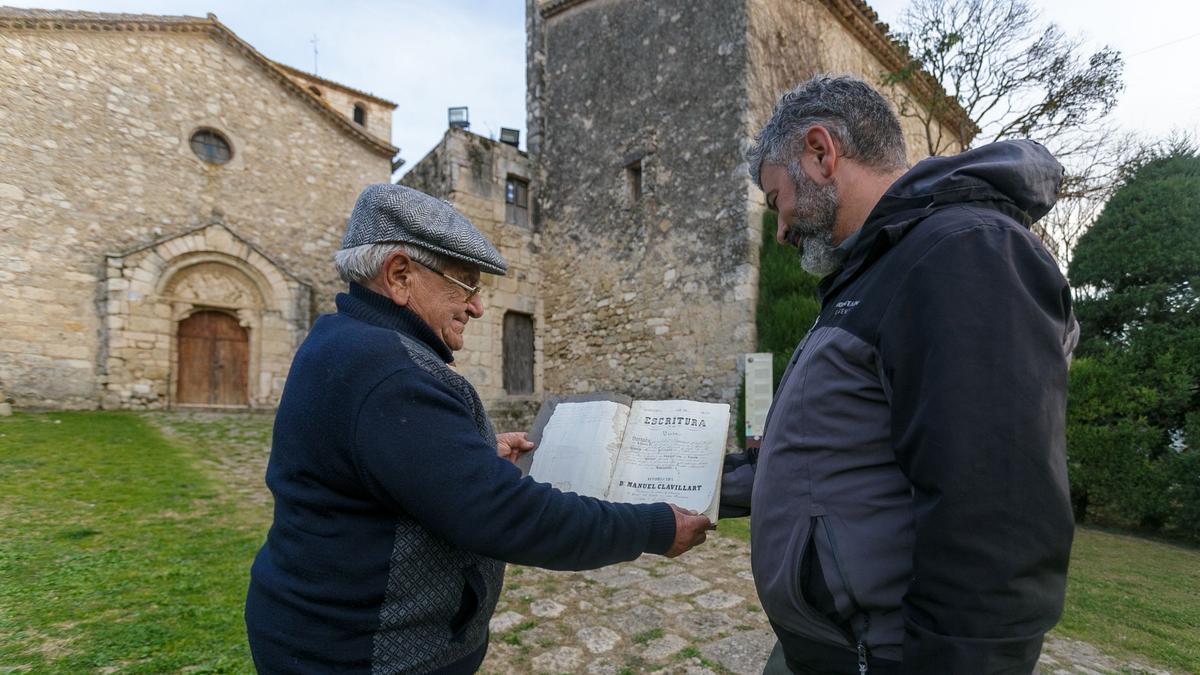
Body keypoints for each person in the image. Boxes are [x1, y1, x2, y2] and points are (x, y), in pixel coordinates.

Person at [244, 183, 712, 674]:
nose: (477, 307)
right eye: (465, 283)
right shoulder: (391, 371)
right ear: (400, 275)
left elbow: (393, 468)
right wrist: (653, 527)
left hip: (322, 632)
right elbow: (506, 516)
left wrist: (472, 457)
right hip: (362, 654)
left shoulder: (348, 341)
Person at [721, 75, 1078, 673]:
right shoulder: (874, 273)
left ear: (820, 152)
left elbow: (997, 523)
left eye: (776, 198)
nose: (779, 229)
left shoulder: (962, 253)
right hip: (825, 650)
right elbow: (817, 461)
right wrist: (678, 486)